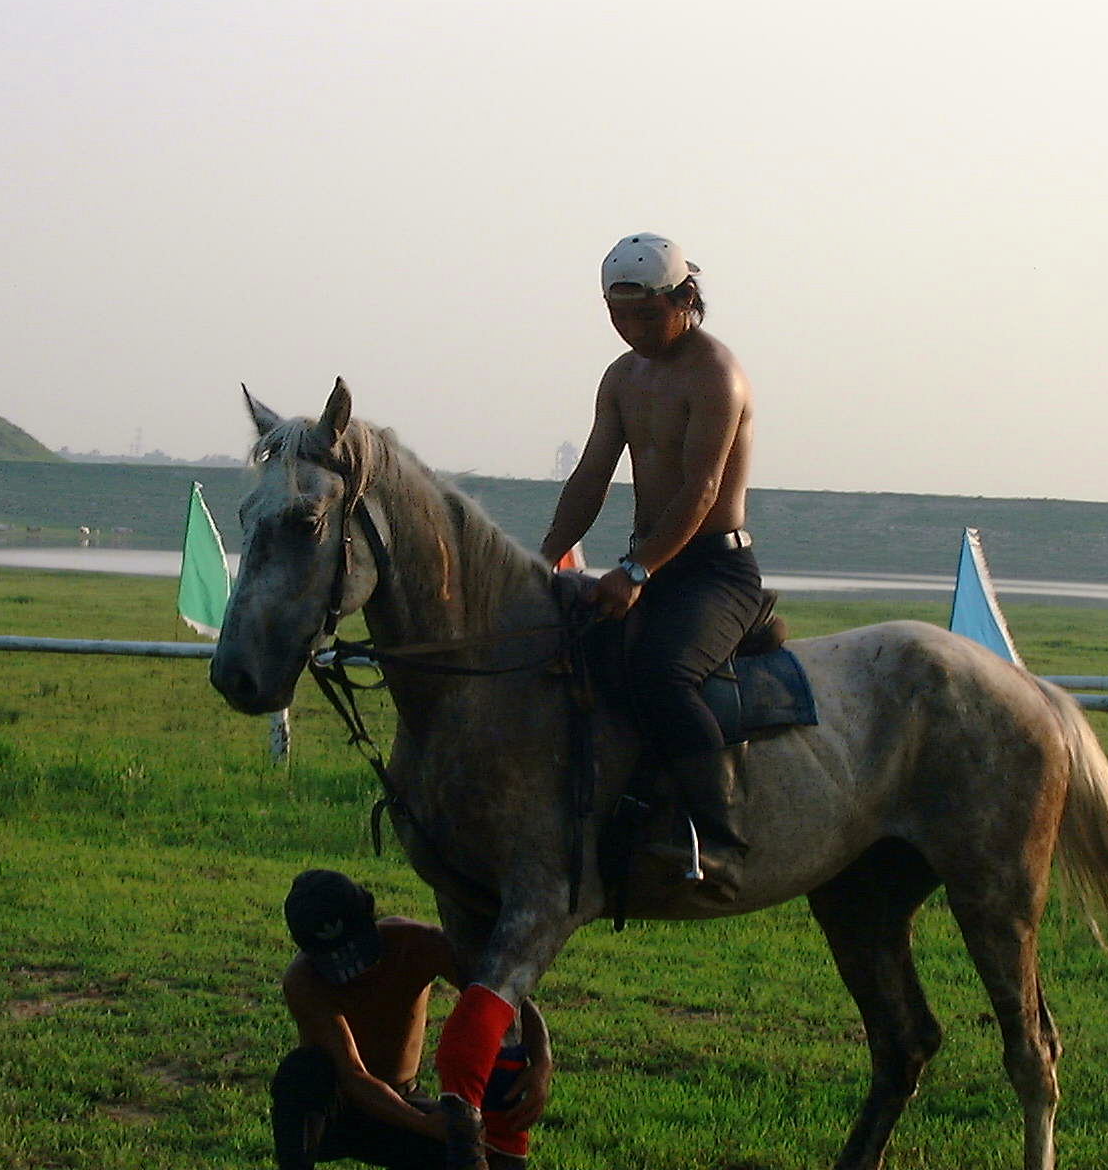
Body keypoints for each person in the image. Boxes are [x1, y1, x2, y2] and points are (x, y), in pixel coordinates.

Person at [541, 232, 762, 900]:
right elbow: (590, 477)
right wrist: (543, 557)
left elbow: (700, 490)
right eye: (618, 315)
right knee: (564, 658)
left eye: (643, 315)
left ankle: (720, 840)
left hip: (713, 572)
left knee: (663, 676)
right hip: (649, 560)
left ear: (683, 298)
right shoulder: (622, 377)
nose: (630, 329)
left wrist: (636, 573)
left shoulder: (714, 372)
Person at [271, 870, 552, 1170]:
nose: (359, 974)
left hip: (403, 1100)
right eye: (335, 961)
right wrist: (425, 1124)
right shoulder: (303, 981)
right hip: (340, 1110)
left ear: (371, 914)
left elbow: (503, 993)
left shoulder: (417, 944)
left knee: (470, 1151)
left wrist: (541, 1063)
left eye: (361, 952)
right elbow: (352, 1074)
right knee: (301, 1073)